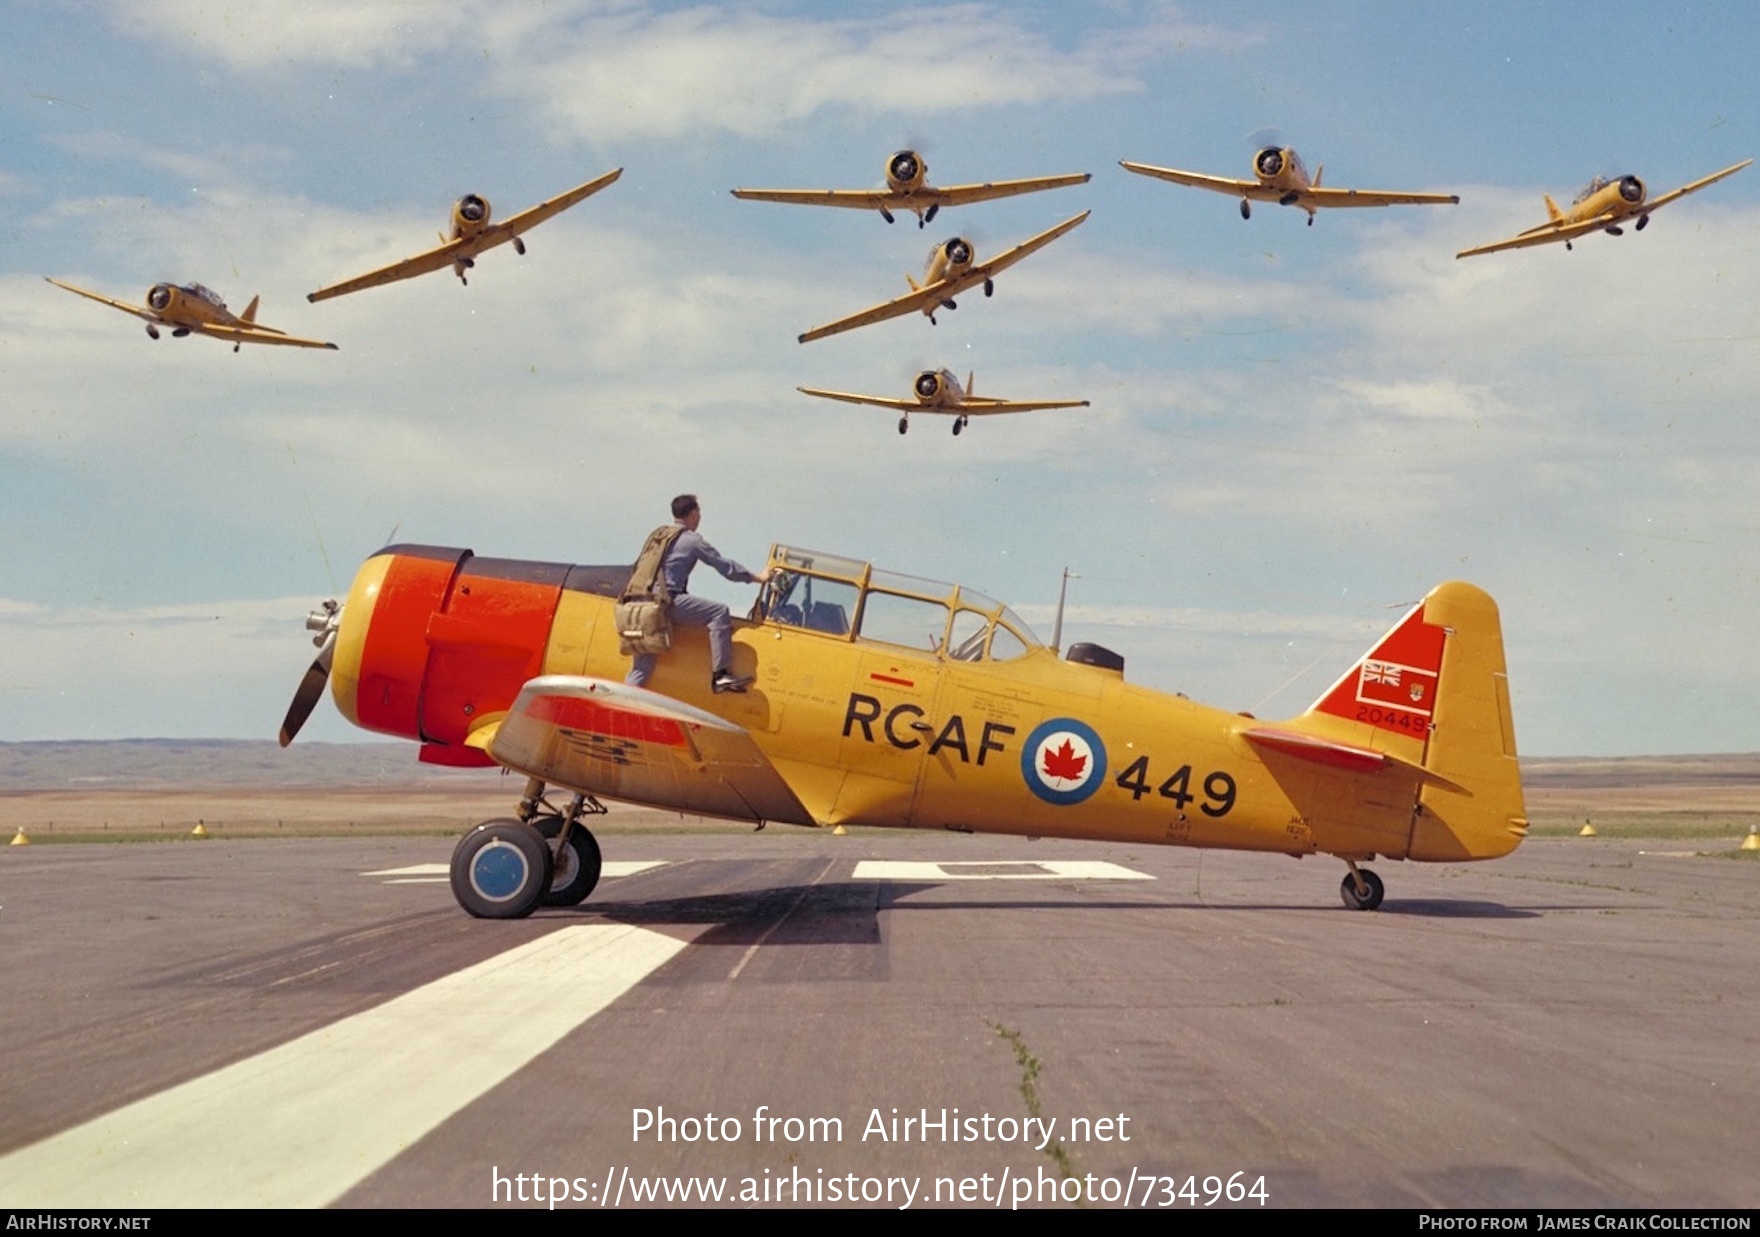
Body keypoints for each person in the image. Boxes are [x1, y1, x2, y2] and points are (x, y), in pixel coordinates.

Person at [626, 494, 773, 693]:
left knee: (641, 669)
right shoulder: (692, 541)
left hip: (642, 606)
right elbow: (725, 567)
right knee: (718, 612)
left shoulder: (659, 536)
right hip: (666, 603)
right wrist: (758, 578)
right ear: (694, 514)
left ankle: (619, 708)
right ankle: (721, 675)